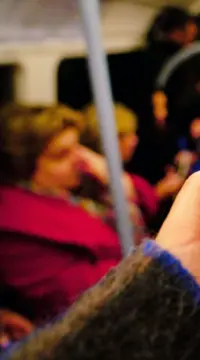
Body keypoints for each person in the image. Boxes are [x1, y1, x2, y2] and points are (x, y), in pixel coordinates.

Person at [1, 153, 200, 360]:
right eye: (60, 154)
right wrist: (164, 292)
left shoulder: (79, 197)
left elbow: (140, 208)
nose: (78, 161)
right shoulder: (20, 223)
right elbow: (79, 284)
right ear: (30, 163)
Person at [0, 105, 144, 324]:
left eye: (78, 147)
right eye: (61, 155)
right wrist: (121, 195)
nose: (81, 160)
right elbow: (85, 292)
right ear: (25, 166)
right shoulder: (15, 229)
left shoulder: (70, 194)